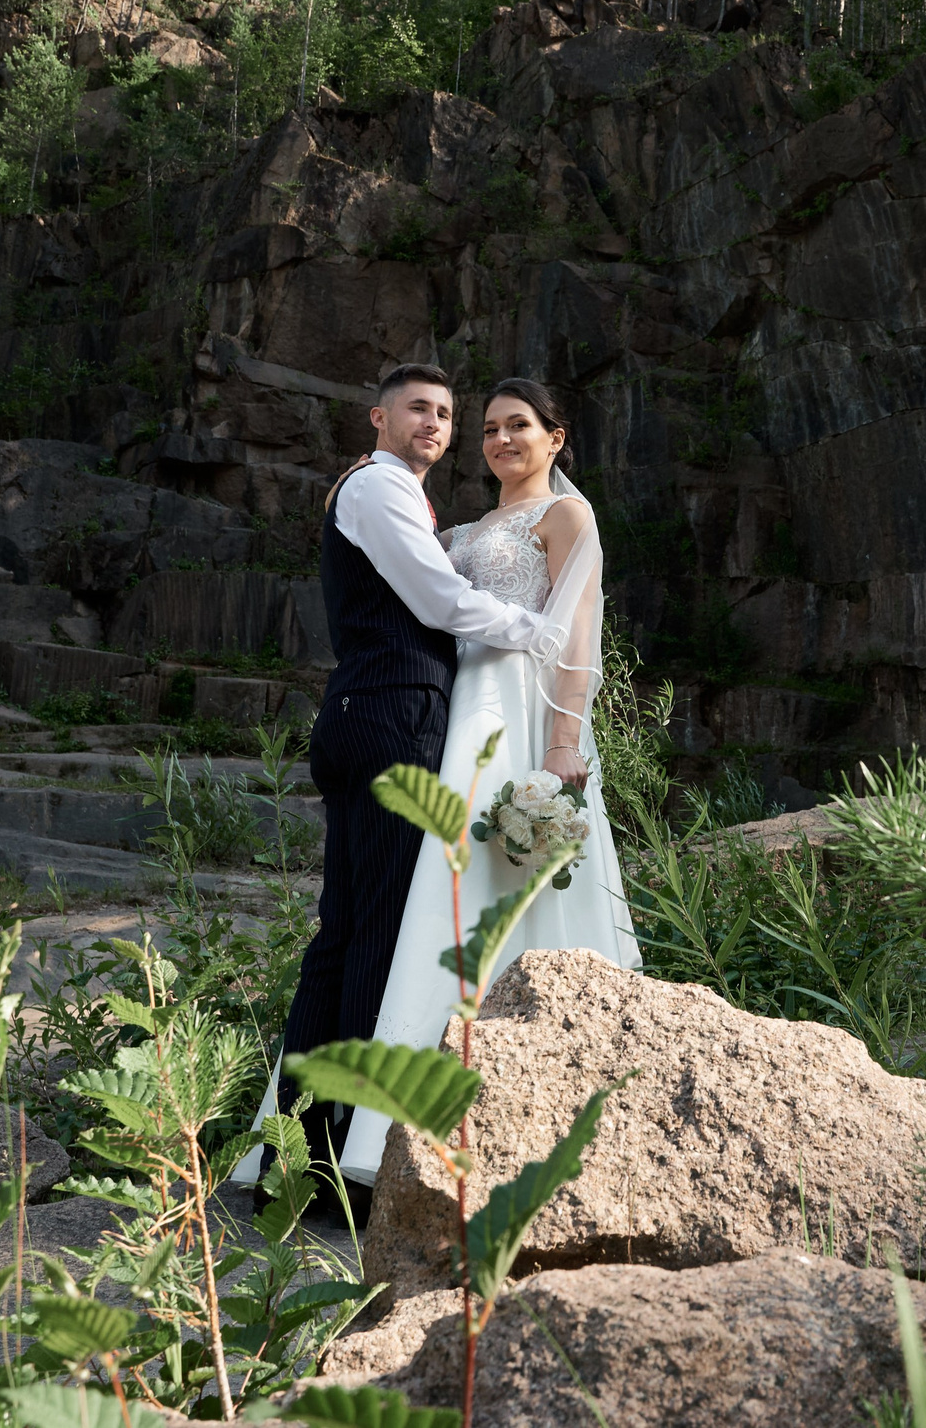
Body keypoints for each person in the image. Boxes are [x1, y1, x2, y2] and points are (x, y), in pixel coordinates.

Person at [243, 362, 555, 1222]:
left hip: (368, 713)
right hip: (389, 718)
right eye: (419, 408)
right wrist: (540, 631)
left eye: (446, 413)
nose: (435, 424)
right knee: (371, 939)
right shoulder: (380, 489)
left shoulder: (397, 494)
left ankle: (295, 1158)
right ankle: (337, 1163)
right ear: (377, 417)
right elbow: (440, 599)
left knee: (344, 938)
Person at [333, 376, 641, 1188]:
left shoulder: (567, 516)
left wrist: (563, 742)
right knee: (437, 895)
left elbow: (578, 636)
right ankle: (395, 1129)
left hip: (523, 715)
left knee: (506, 889)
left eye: (520, 425)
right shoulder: (462, 528)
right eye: (493, 428)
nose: (502, 439)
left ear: (555, 438)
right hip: (453, 714)